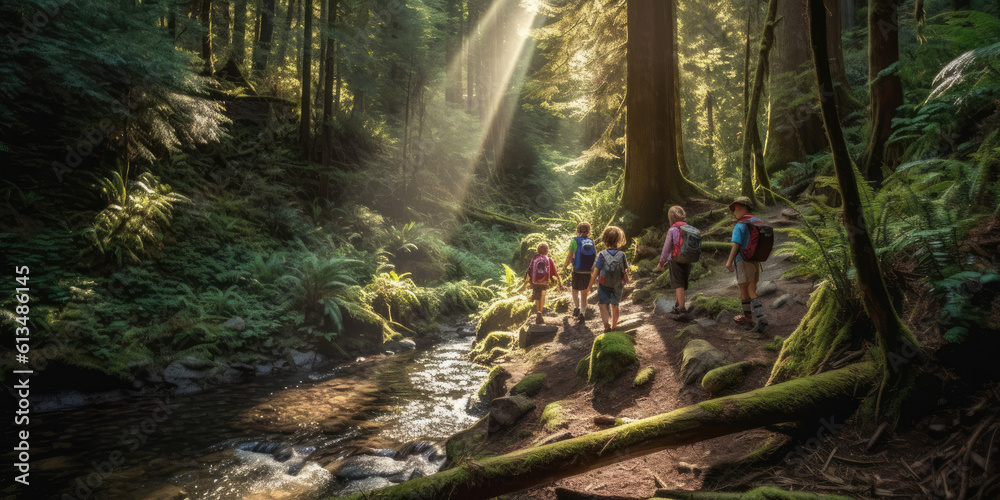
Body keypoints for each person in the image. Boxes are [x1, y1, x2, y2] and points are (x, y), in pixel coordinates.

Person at [724, 196, 768, 334]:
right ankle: (749, 318)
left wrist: (729, 262)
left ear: (742, 207)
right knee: (748, 289)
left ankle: (760, 320)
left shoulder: (740, 225)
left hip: (743, 261)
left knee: (748, 291)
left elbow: (736, 245)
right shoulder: (757, 221)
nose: (734, 211)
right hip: (755, 261)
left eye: (735, 208)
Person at [588, 226, 630, 333]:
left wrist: (589, 286)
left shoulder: (601, 255)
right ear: (619, 240)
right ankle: (614, 326)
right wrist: (625, 277)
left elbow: (595, 272)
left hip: (603, 284)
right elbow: (625, 270)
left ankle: (606, 327)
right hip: (617, 284)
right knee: (615, 305)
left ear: (605, 240)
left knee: (603, 305)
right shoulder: (622, 255)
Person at [657, 206, 690, 316]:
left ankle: (682, 309)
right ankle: (677, 303)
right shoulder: (689, 228)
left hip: (675, 259)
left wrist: (661, 262)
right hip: (688, 258)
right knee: (682, 281)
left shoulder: (672, 229)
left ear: (671, 217)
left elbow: (666, 248)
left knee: (678, 282)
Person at [522, 242, 563, 325]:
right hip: (544, 281)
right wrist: (560, 284)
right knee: (543, 294)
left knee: (537, 296)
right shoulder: (548, 259)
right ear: (547, 250)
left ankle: (538, 312)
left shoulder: (535, 257)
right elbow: (555, 273)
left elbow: (529, 268)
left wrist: (525, 280)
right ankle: (540, 312)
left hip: (535, 281)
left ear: (538, 250)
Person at [564, 222, 597, 322]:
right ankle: (582, 312)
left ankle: (577, 308)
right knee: (584, 293)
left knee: (574, 289)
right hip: (587, 271)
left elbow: (570, 255)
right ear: (588, 231)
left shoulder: (575, 241)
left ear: (578, 231)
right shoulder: (591, 241)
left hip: (577, 270)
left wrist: (565, 265)